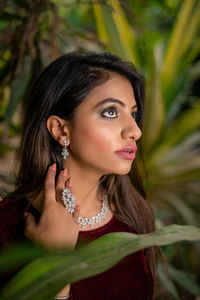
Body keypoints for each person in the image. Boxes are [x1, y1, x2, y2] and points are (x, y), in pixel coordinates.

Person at [0, 51, 156, 299]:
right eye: (111, 112)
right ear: (61, 129)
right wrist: (56, 270)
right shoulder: (6, 226)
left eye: (133, 114)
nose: (135, 130)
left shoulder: (135, 213)